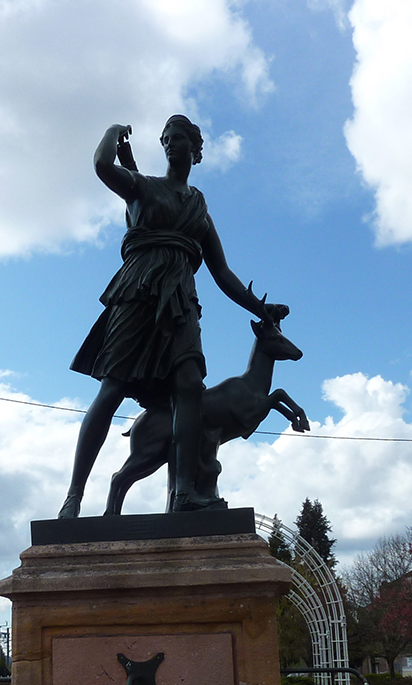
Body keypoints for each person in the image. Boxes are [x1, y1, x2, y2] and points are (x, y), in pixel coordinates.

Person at [59, 116, 287, 518]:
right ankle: (74, 497)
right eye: (165, 139)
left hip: (181, 303)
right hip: (137, 293)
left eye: (178, 139)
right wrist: (112, 131)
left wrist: (258, 309)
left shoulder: (198, 206)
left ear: (195, 150)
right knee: (112, 388)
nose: (169, 144)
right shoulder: (143, 187)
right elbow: (101, 166)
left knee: (189, 390)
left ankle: (184, 493)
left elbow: (222, 273)